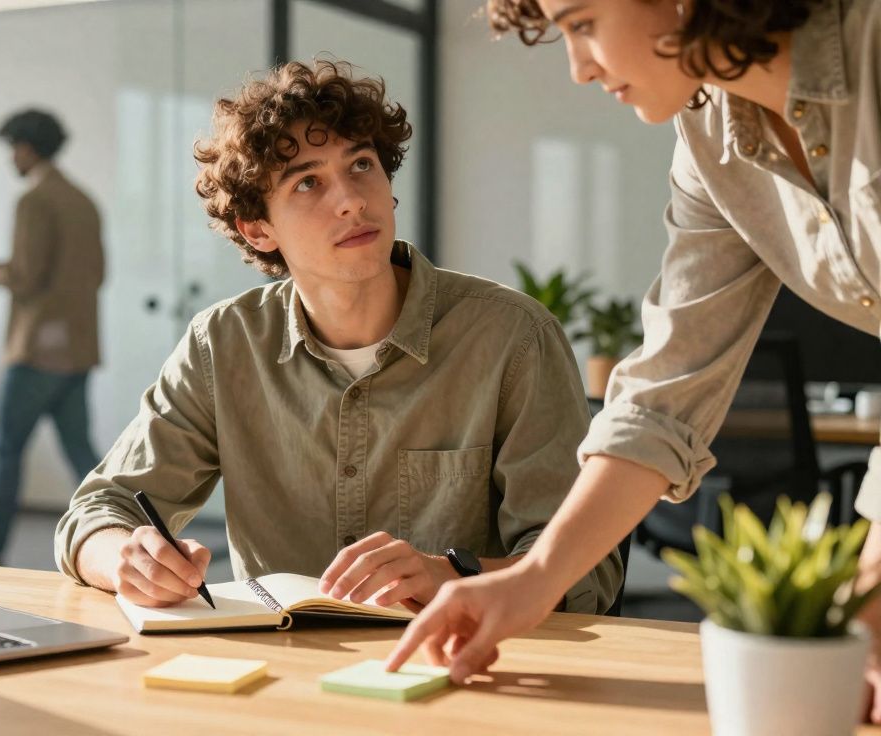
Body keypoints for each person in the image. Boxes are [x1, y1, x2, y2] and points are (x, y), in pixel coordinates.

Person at [386, 1, 881, 719]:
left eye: (583, 23)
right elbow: (664, 393)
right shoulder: (712, 143)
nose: (579, 67)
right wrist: (534, 579)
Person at [53, 60, 621, 614]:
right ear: (259, 228)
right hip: (283, 676)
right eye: (307, 183)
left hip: (468, 671)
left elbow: (585, 569)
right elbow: (97, 511)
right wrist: (126, 558)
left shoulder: (511, 337)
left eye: (362, 165)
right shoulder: (222, 344)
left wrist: (447, 575)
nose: (351, 199)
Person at [0, 109, 105, 565]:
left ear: (27, 147)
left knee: (6, 449)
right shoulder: (83, 200)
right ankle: (134, 533)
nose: (11, 159)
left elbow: (25, 279)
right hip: (78, 347)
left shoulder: (35, 201)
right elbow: (97, 274)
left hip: (37, 351)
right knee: (82, 451)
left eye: (13, 148)